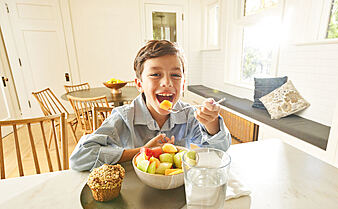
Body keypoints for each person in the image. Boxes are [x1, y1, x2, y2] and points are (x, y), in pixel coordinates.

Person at [70, 40, 231, 171]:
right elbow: (79, 158)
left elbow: (220, 151)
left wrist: (211, 123)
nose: (167, 83)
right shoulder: (123, 117)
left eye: (175, 75)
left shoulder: (188, 115)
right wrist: (141, 152)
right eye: (155, 74)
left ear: (183, 85)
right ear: (139, 84)